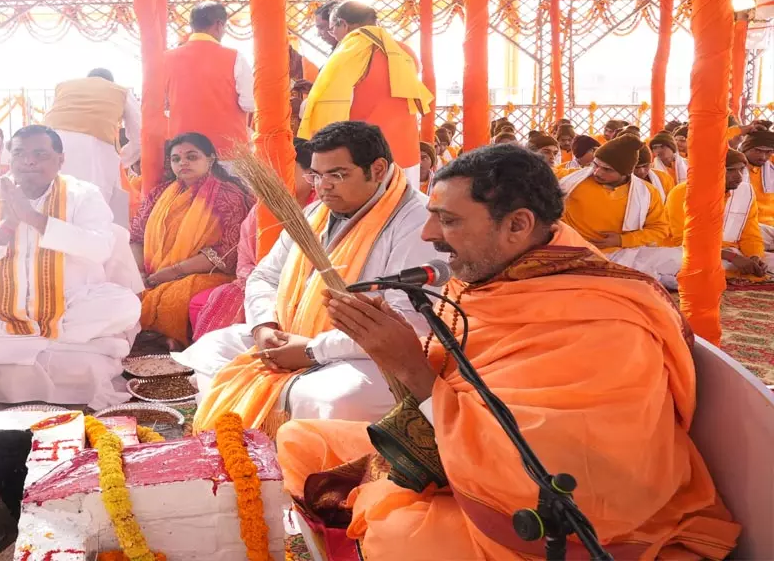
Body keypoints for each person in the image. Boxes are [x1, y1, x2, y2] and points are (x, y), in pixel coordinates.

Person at [277, 144, 740, 560]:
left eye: (450, 220)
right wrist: (395, 345)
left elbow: (549, 467)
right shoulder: (500, 274)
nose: (428, 233)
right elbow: (477, 383)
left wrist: (410, 366)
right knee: (301, 441)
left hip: (562, 517)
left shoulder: (605, 320)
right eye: (434, 213)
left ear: (518, 225)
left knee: (396, 533)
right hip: (465, 455)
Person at [179, 121, 439, 431]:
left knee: (338, 399)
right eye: (316, 175)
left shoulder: (417, 221)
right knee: (212, 350)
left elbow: (407, 321)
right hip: (292, 336)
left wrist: (312, 350)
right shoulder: (315, 213)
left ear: (379, 169)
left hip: (365, 355)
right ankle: (243, 442)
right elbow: (265, 275)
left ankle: (294, 454)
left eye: (337, 175)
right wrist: (265, 326)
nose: (323, 186)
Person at [0, 125, 141, 408]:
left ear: (60, 160)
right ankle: (50, 344)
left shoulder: (84, 194)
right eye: (20, 154)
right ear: (9, 159)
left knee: (124, 305)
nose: (29, 161)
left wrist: (35, 219)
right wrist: (7, 227)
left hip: (69, 304)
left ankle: (16, 345)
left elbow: (99, 248)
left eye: (40, 153)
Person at [130, 133, 253, 347]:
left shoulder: (229, 195)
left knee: (173, 298)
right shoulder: (159, 193)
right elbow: (136, 237)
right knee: (124, 289)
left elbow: (227, 252)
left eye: (192, 156)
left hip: (208, 272)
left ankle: (169, 343)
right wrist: (139, 273)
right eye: (176, 159)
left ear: (211, 159)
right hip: (152, 273)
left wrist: (172, 272)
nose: (183, 162)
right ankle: (156, 342)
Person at [189, 139, 316, 342]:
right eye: (268, 170)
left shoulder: (319, 211)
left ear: (311, 174)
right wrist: (256, 282)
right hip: (258, 282)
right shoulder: (260, 211)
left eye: (283, 169)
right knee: (226, 297)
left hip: (305, 289)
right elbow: (244, 261)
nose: (273, 177)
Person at [298, 2, 434, 187]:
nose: (333, 36)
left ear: (343, 24)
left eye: (331, 29)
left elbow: (327, 102)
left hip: (366, 155)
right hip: (406, 150)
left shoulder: (350, 51)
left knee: (369, 213)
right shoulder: (403, 51)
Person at [560, 134, 680, 288]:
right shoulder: (570, 181)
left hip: (623, 253)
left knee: (680, 257)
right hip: (573, 253)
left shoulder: (647, 193)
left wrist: (622, 240)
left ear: (625, 173)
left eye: (607, 170)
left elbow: (660, 229)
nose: (597, 172)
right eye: (595, 165)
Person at [164, 2, 255, 161]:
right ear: (219, 25)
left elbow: (162, 106)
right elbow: (248, 103)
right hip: (227, 152)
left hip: (183, 155)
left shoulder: (166, 59)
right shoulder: (235, 57)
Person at [43, 68, 142, 205]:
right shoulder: (120, 91)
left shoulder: (63, 87)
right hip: (94, 148)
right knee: (100, 204)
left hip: (50, 145)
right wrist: (123, 159)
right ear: (110, 82)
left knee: (54, 201)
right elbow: (139, 135)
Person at [666, 149, 771, 277]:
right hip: (691, 253)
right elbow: (683, 240)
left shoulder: (745, 192)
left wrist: (754, 256)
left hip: (734, 252)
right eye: (730, 170)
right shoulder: (682, 194)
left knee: (767, 263)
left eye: (741, 169)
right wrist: (731, 257)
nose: (738, 176)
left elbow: (751, 235)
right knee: (689, 264)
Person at [740, 129, 774, 247]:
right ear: (745, 148)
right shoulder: (733, 169)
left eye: (768, 152)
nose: (763, 157)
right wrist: (740, 130)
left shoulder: (771, 168)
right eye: (758, 151)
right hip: (749, 227)